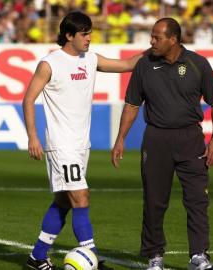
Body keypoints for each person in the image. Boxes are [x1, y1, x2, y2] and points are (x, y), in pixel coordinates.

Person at [22, 11, 140, 270]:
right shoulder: (50, 63)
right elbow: (28, 98)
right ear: (69, 35)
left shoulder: (91, 59)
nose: (89, 38)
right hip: (61, 144)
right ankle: (92, 256)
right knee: (81, 197)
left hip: (79, 145)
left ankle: (37, 256)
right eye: (84, 34)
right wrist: (33, 135)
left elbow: (126, 64)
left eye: (90, 33)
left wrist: (154, 51)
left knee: (64, 201)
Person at [111, 18, 213, 270]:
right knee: (154, 200)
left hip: (191, 140)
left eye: (156, 37)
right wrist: (120, 139)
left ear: (173, 40)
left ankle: (199, 256)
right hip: (156, 140)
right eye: (151, 36)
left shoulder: (198, 64)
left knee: (197, 200)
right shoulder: (144, 65)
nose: (151, 42)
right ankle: (154, 257)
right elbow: (132, 105)